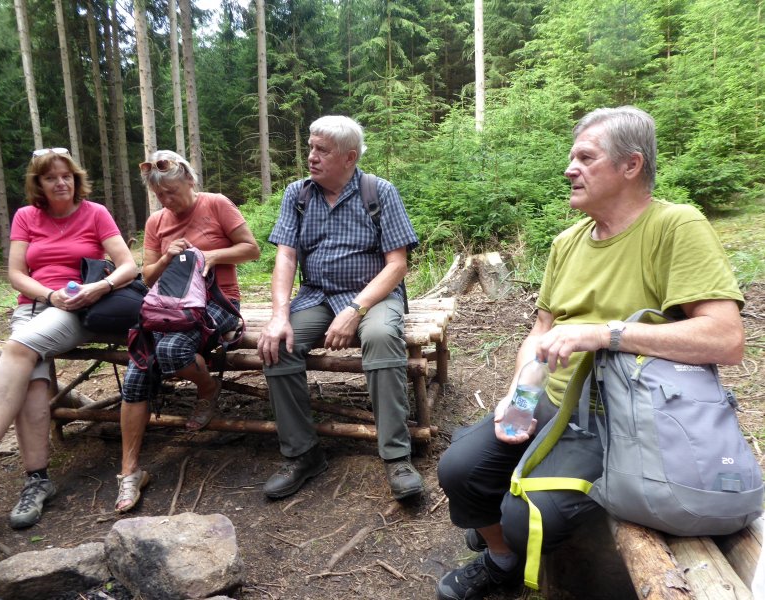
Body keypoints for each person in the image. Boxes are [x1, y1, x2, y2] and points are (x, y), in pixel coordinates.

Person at [435, 106, 746, 600]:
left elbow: (726, 339)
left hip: (631, 419)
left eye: (585, 157)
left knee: (526, 516)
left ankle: (512, 538)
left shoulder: (676, 227)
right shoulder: (567, 243)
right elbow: (540, 332)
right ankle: (500, 558)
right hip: (553, 402)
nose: (569, 168)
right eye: (571, 157)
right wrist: (518, 397)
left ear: (631, 165)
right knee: (459, 470)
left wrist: (608, 334)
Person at [257, 115, 423, 501]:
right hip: (316, 294)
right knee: (278, 344)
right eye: (311, 147)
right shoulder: (297, 195)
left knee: (381, 336)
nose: (311, 157)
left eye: (321, 150)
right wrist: (279, 315)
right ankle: (303, 454)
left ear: (349, 157)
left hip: (372, 296)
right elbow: (285, 258)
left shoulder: (379, 192)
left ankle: (397, 457)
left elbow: (397, 265)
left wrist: (355, 309)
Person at [0, 148, 137, 529]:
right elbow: (16, 274)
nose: (61, 182)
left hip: (77, 308)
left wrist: (98, 287)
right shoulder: (26, 216)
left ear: (76, 178)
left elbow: (128, 265)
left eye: (66, 175)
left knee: (19, 347)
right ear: (38, 183)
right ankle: (38, 481)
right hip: (34, 307)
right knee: (33, 382)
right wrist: (46, 294)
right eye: (51, 177)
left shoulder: (95, 213)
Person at [114, 150, 259, 513]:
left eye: (172, 192)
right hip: (168, 308)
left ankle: (209, 389)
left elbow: (252, 250)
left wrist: (212, 256)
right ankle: (130, 472)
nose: (167, 201)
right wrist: (166, 258)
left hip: (219, 302)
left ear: (190, 181)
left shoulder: (217, 204)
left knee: (172, 353)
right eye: (160, 196)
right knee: (137, 368)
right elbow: (146, 276)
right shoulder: (156, 222)